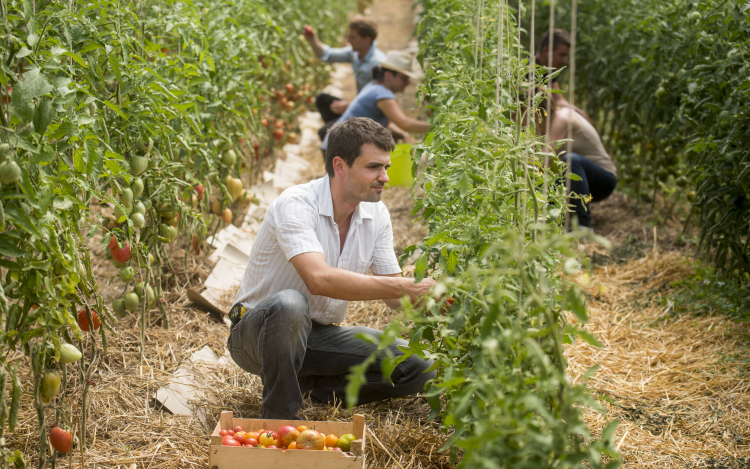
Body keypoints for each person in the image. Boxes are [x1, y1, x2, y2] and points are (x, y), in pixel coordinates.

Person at [227, 117, 438, 420]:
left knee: (420, 367)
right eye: (373, 167)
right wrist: (407, 286)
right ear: (340, 166)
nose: (385, 178)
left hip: (318, 336)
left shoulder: (376, 215)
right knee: (289, 304)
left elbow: (394, 296)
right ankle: (280, 418)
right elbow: (319, 279)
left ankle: (312, 389)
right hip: (257, 334)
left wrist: (437, 300)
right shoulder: (297, 204)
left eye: (386, 168)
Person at [321, 51, 430, 153]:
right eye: (404, 78)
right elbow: (404, 123)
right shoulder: (383, 95)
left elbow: (386, 124)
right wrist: (435, 126)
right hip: (342, 150)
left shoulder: (374, 86)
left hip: (333, 145)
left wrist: (403, 134)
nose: (407, 83)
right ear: (388, 76)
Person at [537, 92, 617, 229]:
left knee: (571, 160)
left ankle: (583, 226)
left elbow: (541, 160)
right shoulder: (543, 128)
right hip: (577, 181)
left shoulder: (562, 117)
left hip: (603, 180)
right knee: (543, 184)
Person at [303, 19, 387, 140]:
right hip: (359, 107)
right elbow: (328, 55)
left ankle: (348, 139)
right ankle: (346, 138)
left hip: (371, 115)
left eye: (353, 37)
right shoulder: (356, 53)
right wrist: (312, 39)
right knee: (323, 100)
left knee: (325, 132)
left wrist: (351, 105)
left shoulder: (377, 63)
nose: (348, 41)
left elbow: (378, 100)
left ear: (367, 40)